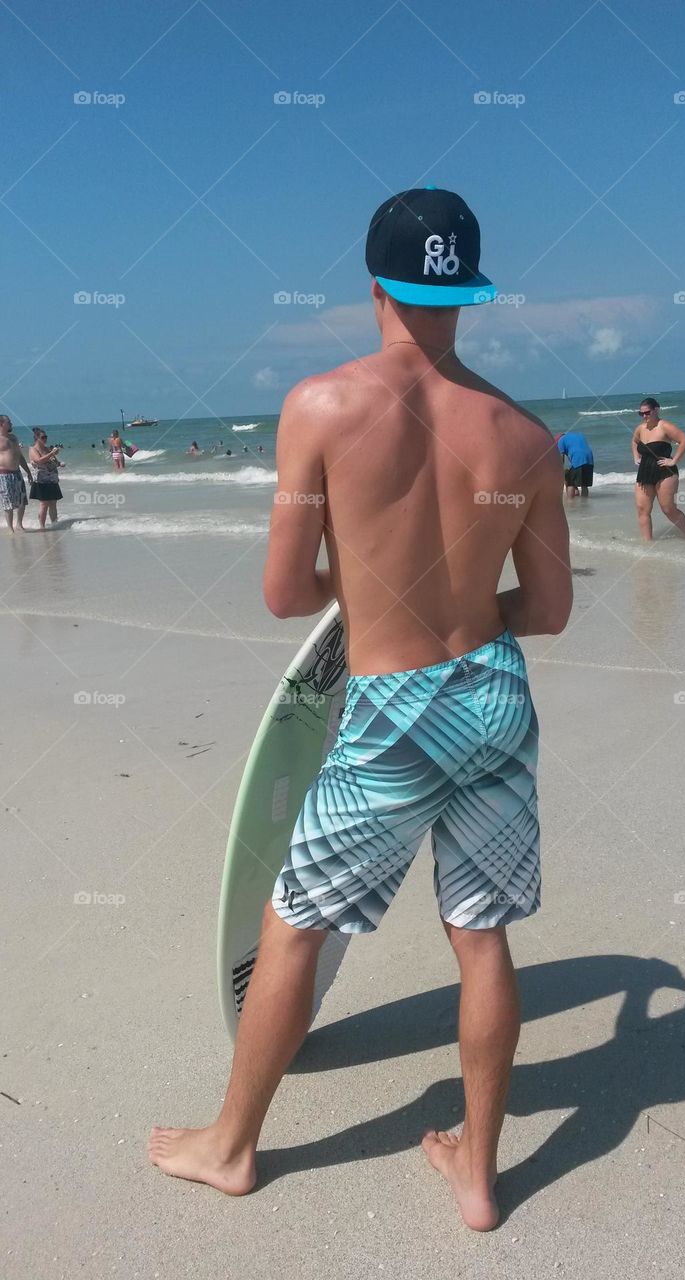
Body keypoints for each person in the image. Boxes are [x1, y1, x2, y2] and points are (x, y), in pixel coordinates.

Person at [148, 187, 572, 1231]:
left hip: (391, 712)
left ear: (375, 281)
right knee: (481, 937)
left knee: (293, 927)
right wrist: (460, 606)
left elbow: (288, 592)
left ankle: (233, 1145)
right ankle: (478, 1173)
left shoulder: (321, 407)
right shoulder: (525, 436)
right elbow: (551, 609)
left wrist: (380, 591)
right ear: (468, 287)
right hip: (494, 693)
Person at [632, 397, 685, 541]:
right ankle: (647, 544)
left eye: (647, 413)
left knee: (668, 509)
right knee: (642, 509)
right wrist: (636, 457)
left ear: (656, 410)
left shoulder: (664, 426)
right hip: (645, 472)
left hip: (665, 472)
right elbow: (634, 442)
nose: (644, 416)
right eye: (641, 414)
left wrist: (674, 460)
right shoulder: (640, 428)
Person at [0, 415, 31, 532]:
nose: (11, 424)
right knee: (8, 502)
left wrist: (28, 472)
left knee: (22, 501)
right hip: (3, 475)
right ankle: (10, 528)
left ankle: (19, 524)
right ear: (2, 424)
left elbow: (20, 456)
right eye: (9, 422)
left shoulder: (14, 438)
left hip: (17, 473)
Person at [28, 428, 64, 528]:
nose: (45, 439)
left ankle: (55, 524)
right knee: (44, 504)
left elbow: (55, 462)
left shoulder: (47, 449)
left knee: (53, 503)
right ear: (36, 438)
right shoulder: (33, 449)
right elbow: (39, 460)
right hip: (41, 481)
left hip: (52, 480)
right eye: (43, 437)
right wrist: (52, 453)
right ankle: (42, 527)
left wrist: (60, 463)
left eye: (46, 437)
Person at [556, 429, 594, 497]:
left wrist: (560, 471)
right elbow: (578, 449)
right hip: (589, 459)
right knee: (584, 485)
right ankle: (584, 503)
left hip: (578, 458)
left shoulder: (561, 441)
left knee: (571, 484)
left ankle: (571, 503)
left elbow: (561, 459)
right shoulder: (578, 435)